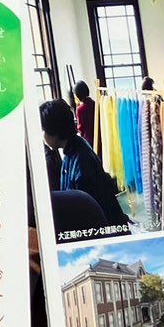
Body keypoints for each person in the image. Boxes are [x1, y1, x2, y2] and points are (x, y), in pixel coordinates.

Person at [39, 99, 129, 227]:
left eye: (43, 130)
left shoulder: (81, 160)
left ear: (54, 131)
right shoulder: (73, 148)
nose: (42, 135)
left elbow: (85, 213)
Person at [72, 80, 96, 146]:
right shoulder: (95, 103)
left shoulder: (80, 109)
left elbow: (80, 128)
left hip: (88, 139)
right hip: (98, 136)